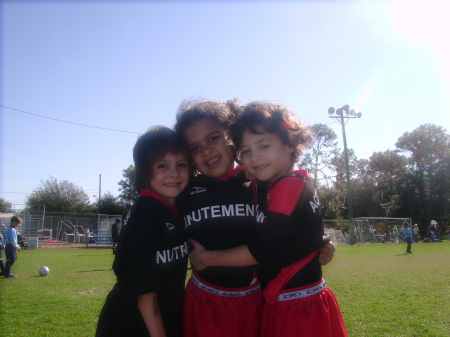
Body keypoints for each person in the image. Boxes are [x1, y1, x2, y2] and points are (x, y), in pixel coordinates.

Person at [174, 99, 336, 337]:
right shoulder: (183, 190)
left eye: (213, 138)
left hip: (256, 299)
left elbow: (289, 227)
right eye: (194, 148)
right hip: (204, 300)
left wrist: (319, 243)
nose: (206, 150)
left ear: (232, 138)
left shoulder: (259, 181)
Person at [96, 126, 191, 337]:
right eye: (162, 165)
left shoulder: (174, 208)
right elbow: (144, 291)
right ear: (145, 171)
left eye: (181, 165)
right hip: (131, 324)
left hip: (162, 318)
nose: (174, 173)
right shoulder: (146, 211)